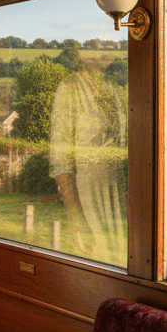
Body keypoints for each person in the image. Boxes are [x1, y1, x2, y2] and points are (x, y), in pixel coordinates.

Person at [49, 63, 127, 262]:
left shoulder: (113, 87)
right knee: (99, 260)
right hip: (90, 192)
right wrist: (74, 213)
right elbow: (61, 158)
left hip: (120, 191)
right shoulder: (70, 88)